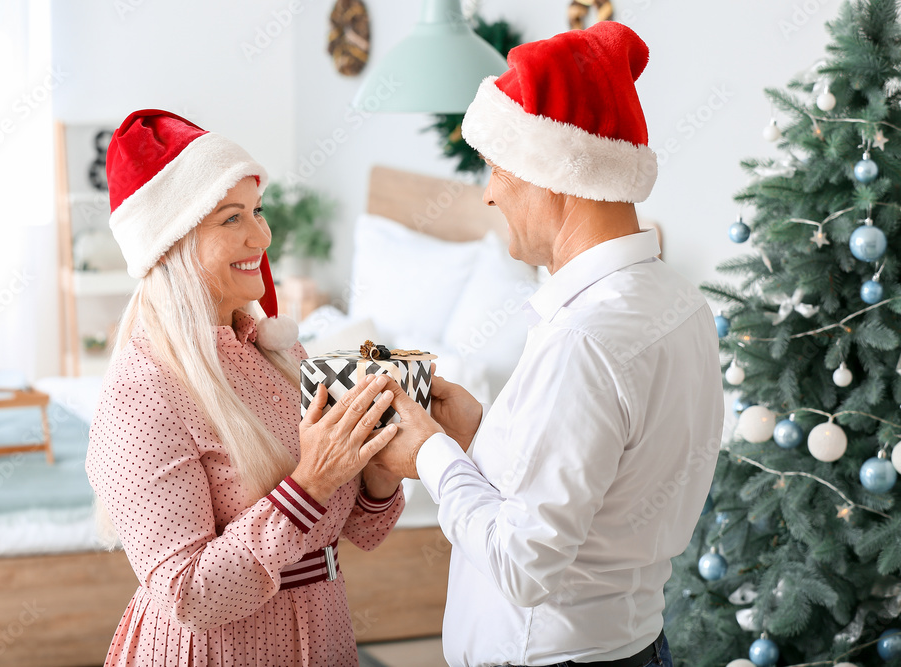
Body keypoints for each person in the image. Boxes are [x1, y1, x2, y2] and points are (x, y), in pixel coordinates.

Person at [374, 22, 725, 667]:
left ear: (551, 174)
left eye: (497, 168)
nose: (488, 193)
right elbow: (596, 487)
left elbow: (523, 564)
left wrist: (428, 454)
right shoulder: (680, 303)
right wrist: (477, 437)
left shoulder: (584, 340)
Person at [84, 109, 405, 667]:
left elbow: (357, 531)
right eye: (232, 219)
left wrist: (376, 464)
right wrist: (311, 481)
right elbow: (188, 596)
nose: (263, 235)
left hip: (321, 634)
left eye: (257, 211)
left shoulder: (277, 351)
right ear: (173, 243)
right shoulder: (146, 390)